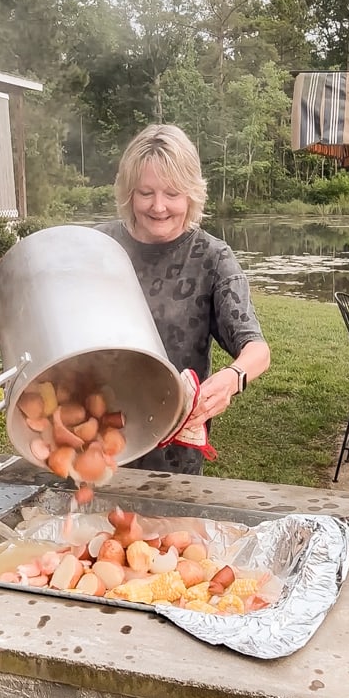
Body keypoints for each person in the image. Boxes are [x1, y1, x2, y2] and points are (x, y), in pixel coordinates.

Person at [95, 122, 270, 475]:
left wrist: (233, 378)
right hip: (93, 437)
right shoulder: (98, 247)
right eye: (146, 192)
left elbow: (257, 350)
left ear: (191, 193)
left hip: (172, 456)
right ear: (128, 193)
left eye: (172, 193)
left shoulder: (212, 258)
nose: (159, 207)